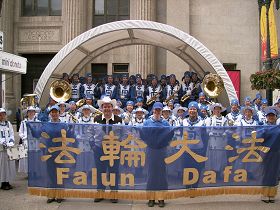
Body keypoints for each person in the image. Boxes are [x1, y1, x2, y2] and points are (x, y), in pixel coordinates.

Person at [93, 96, 123, 203]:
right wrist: (93, 146)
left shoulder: (119, 119)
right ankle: (100, 193)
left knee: (113, 171)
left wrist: (120, 147)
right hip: (99, 150)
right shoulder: (96, 119)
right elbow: (90, 133)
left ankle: (114, 193)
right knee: (100, 171)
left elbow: (123, 135)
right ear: (101, 108)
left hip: (114, 150)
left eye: (109, 106)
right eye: (104, 106)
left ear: (112, 108)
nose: (106, 109)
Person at [143, 102, 170, 208]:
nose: (157, 111)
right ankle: (151, 198)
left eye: (159, 110)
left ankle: (161, 198)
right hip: (151, 150)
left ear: (162, 111)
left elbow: (169, 137)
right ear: (153, 110)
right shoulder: (147, 122)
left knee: (162, 174)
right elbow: (144, 136)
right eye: (156, 109)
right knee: (151, 174)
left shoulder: (166, 123)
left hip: (162, 151)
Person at [18, 106, 40, 175]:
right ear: (27, 113)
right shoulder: (23, 122)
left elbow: (40, 131)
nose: (31, 113)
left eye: (32, 111)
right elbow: (20, 132)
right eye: (29, 112)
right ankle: (29, 172)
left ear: (34, 113)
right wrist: (24, 137)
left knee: (35, 157)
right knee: (27, 157)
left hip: (35, 141)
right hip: (26, 141)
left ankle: (35, 171)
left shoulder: (37, 122)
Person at [0, 108, 16, 190]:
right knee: (3, 166)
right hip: (2, 149)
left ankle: (8, 181)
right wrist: (2, 142)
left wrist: (11, 140)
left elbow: (11, 133)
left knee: (9, 165)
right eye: (1, 114)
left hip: (9, 147)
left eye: (4, 114)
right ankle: (3, 182)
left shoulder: (8, 123)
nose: (3, 116)